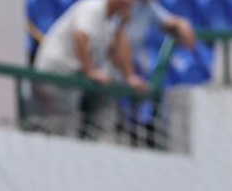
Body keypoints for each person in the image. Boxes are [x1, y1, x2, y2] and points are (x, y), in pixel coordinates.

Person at [30, 0, 151, 136]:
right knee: (63, 127)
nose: (131, 3)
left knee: (69, 126)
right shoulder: (94, 7)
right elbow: (80, 37)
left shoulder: (111, 19)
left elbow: (115, 54)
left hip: (72, 79)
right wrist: (91, 71)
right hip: (55, 73)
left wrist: (122, 26)